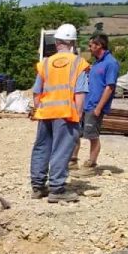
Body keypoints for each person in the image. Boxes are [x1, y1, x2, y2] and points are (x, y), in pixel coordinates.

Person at [29, 23, 89, 203]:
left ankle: (38, 187)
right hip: (66, 113)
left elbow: (36, 92)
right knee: (61, 150)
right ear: (73, 43)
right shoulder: (78, 63)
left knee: (41, 148)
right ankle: (57, 189)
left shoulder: (45, 63)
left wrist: (39, 109)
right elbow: (79, 94)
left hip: (45, 112)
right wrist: (78, 118)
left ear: (57, 43)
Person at [70, 33, 119, 172]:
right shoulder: (97, 63)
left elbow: (109, 87)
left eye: (91, 45)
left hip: (94, 106)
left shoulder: (111, 63)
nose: (89, 48)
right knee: (76, 133)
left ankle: (92, 162)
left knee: (92, 136)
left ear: (99, 45)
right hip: (85, 104)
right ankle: (73, 160)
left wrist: (99, 108)